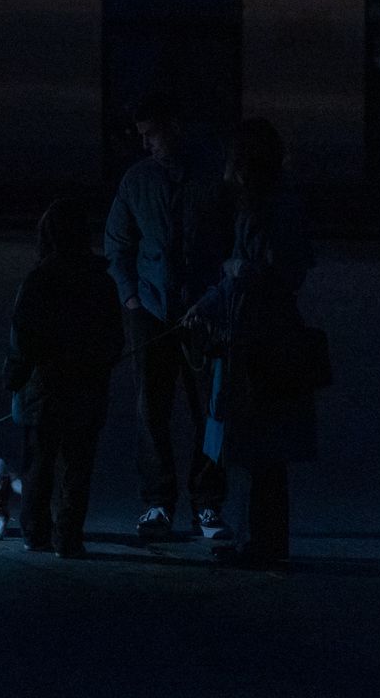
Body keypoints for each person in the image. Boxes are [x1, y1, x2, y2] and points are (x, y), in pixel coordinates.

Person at [185, 118, 318, 570]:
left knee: (264, 446)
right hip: (255, 337)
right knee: (258, 447)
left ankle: (264, 544)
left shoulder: (276, 209)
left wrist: (241, 273)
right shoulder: (260, 207)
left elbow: (284, 272)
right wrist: (206, 305)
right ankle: (260, 540)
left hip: (268, 341)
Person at [104, 92, 231, 542]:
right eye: (141, 137)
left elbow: (231, 244)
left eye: (151, 135)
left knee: (209, 411)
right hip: (153, 311)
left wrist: (215, 297)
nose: (146, 145)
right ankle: (159, 502)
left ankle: (206, 503)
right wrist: (133, 300)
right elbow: (116, 244)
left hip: (202, 310)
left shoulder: (212, 176)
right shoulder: (138, 181)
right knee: (152, 409)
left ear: (174, 126)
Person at [3, 197, 124, 559]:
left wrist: (15, 376)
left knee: (39, 463)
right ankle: (69, 536)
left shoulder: (40, 280)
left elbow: (22, 335)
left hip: (44, 389)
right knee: (77, 465)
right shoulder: (100, 281)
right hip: (86, 389)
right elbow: (113, 339)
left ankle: (35, 531)